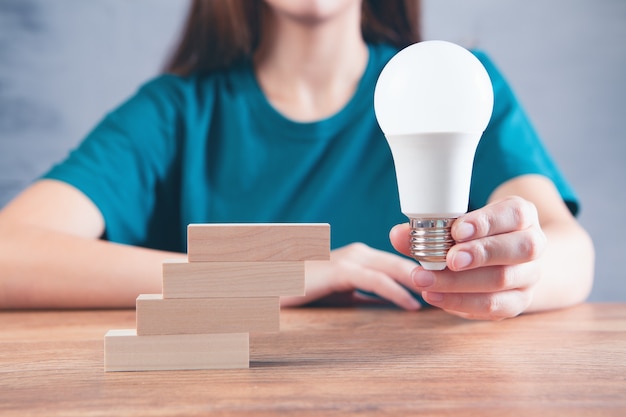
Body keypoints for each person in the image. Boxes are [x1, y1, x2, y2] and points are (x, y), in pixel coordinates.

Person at [0, 0, 594, 320]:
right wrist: (267, 277)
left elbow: (568, 249)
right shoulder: (177, 113)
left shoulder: (452, 87)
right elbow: (10, 254)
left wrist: (521, 271)